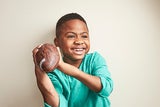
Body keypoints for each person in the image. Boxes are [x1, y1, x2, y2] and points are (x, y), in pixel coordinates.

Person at [32, 13, 113, 107]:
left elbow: (106, 88)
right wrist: (39, 69)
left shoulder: (94, 59)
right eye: (71, 36)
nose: (79, 41)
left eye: (84, 36)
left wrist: (66, 68)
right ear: (57, 42)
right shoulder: (54, 72)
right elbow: (56, 102)